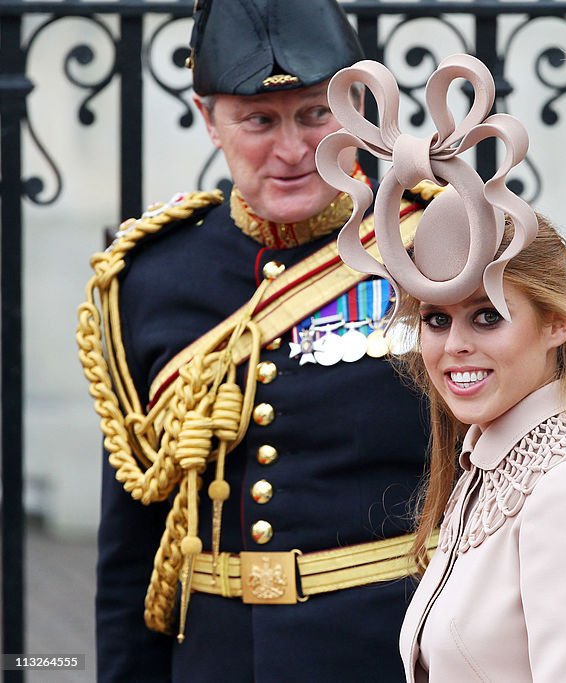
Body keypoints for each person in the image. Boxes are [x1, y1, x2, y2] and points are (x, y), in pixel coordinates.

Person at [76, 1, 434, 680]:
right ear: (208, 117)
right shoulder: (149, 278)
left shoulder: (432, 242)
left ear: (357, 102)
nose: (294, 150)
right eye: (259, 121)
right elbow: (131, 549)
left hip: (389, 651)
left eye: (316, 114)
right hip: (215, 658)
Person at [315, 53, 566, 682]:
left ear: (557, 322)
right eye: (435, 319)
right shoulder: (490, 462)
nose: (454, 344)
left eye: (487, 317)